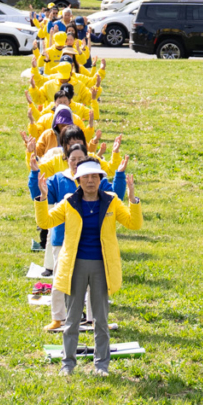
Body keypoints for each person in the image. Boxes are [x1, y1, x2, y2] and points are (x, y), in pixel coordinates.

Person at [47, 158, 145, 374]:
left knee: (100, 319)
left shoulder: (111, 201)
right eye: (86, 177)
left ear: (100, 179)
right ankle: (67, 364)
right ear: (78, 180)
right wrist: (42, 197)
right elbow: (45, 222)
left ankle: (101, 365)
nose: (90, 181)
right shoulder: (69, 201)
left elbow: (134, 223)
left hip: (102, 266)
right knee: (72, 319)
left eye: (94, 176)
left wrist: (132, 199)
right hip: (75, 266)